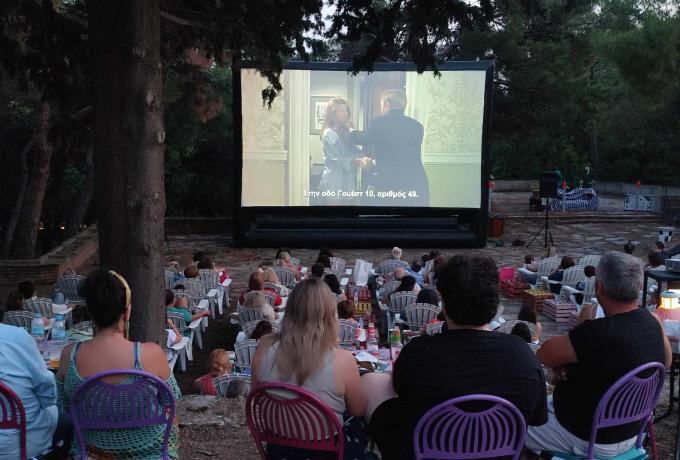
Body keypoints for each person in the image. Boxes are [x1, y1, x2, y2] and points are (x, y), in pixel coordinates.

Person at [365, 255, 547, 459]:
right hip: (497, 454)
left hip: (429, 450)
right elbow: (536, 419)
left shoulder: (418, 353)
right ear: (494, 303)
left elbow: (401, 393)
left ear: (444, 302)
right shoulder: (523, 355)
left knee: (375, 385)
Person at [526, 252, 671, 457]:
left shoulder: (595, 333)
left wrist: (580, 333)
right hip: (633, 432)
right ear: (638, 287)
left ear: (599, 287)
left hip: (587, 436)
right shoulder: (654, 321)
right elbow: (665, 363)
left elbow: (543, 354)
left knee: (512, 424)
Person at [56, 269, 180, 459]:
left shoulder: (69, 356)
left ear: (90, 311)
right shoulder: (152, 354)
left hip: (91, 452)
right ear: (127, 310)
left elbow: (64, 406)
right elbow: (171, 401)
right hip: (152, 452)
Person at [251, 278, 368, 459]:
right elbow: (358, 410)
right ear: (329, 316)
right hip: (329, 451)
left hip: (279, 449)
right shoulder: (342, 360)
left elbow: (257, 397)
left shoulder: (265, 346)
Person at [350, 89, 429, 206]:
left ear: (387, 104)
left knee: (388, 217)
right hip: (416, 180)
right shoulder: (417, 126)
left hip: (390, 180)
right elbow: (401, 152)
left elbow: (362, 139)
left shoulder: (378, 123)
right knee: (412, 218)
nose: (381, 108)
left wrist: (351, 130)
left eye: (381, 105)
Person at [0, 323, 62, 459]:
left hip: (18, 442)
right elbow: (48, 396)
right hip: (23, 444)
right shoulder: (17, 336)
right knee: (67, 419)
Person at [317, 97, 364, 202]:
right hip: (333, 180)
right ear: (333, 114)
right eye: (342, 111)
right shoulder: (328, 133)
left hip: (347, 180)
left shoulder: (345, 131)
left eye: (346, 110)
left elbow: (353, 150)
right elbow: (336, 159)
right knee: (333, 215)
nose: (346, 114)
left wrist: (365, 156)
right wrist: (355, 160)